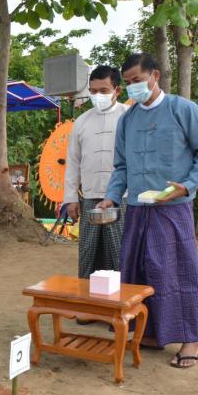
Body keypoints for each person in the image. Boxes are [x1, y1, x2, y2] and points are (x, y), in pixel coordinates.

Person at [97, 52, 198, 369]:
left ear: (155, 75)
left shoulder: (183, 109)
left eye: (137, 80)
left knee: (178, 274)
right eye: (128, 83)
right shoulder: (128, 119)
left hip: (173, 208)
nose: (132, 88)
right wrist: (111, 197)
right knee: (138, 271)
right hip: (137, 209)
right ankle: (151, 333)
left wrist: (187, 186)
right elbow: (121, 167)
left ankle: (191, 340)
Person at [64, 65, 128, 281]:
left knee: (119, 253)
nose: (97, 95)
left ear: (117, 90)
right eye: (93, 91)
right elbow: (73, 162)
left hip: (123, 198)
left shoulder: (128, 116)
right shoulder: (81, 122)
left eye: (103, 90)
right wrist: (70, 198)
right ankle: (87, 299)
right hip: (90, 197)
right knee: (88, 253)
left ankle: (121, 301)